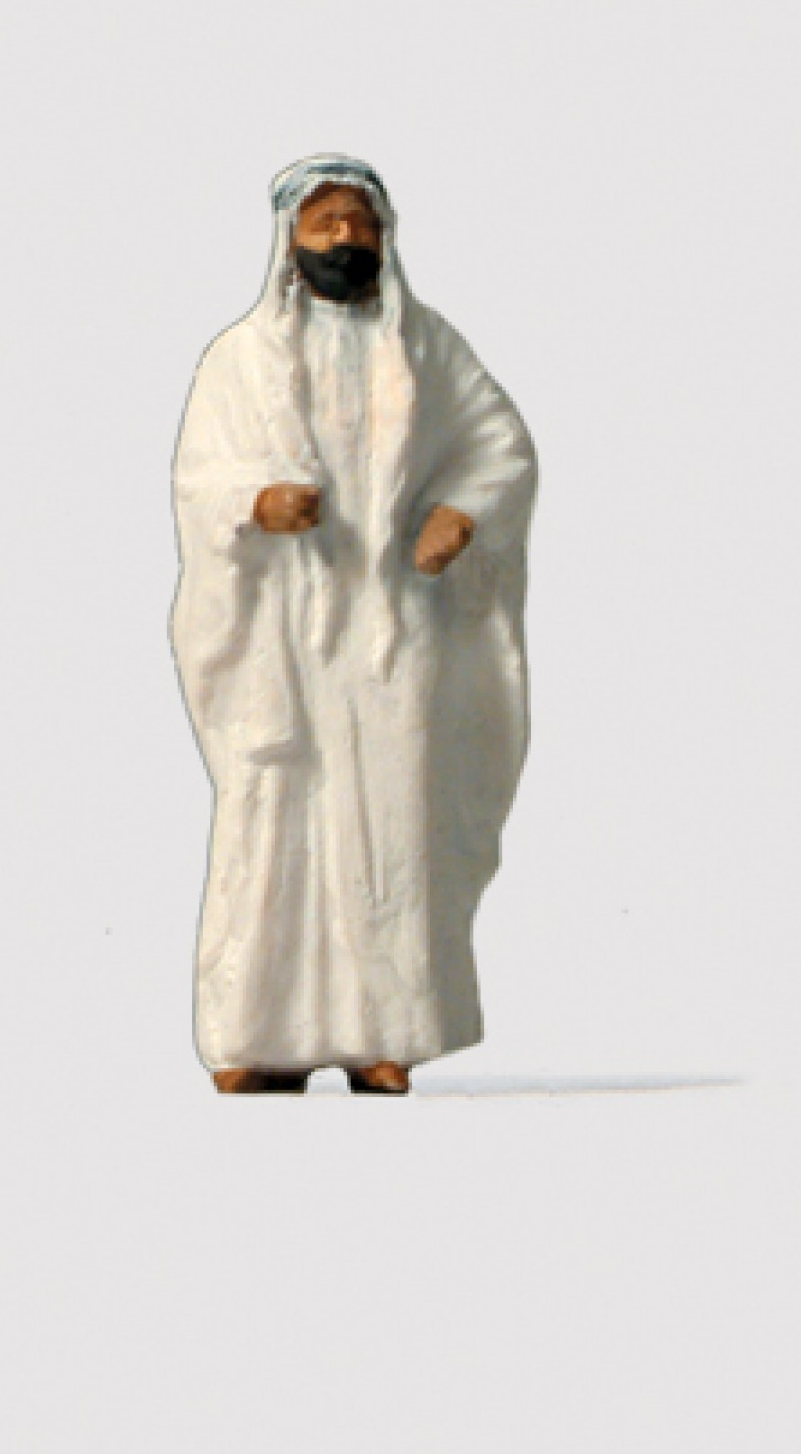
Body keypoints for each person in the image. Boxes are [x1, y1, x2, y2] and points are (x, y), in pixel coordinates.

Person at [169, 155, 538, 1095]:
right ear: (289, 239)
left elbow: (499, 442)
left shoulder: (426, 348)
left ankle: (385, 1030)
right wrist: (255, 504)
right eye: (326, 222)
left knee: (390, 816)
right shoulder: (239, 359)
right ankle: (256, 1035)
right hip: (282, 634)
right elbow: (198, 480)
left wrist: (461, 511)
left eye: (360, 223)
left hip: (392, 628)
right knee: (273, 820)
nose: (345, 238)